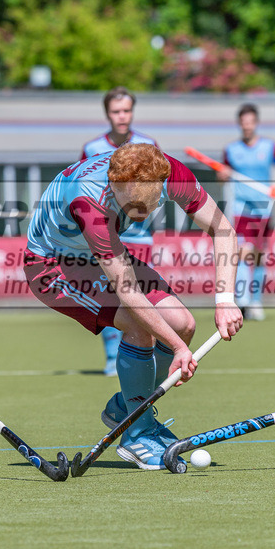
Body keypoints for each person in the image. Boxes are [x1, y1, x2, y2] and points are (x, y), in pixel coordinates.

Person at [23, 143, 243, 470]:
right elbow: (128, 293)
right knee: (140, 325)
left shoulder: (168, 172)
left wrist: (225, 301)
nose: (140, 214)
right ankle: (137, 435)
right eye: (133, 207)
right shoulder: (90, 203)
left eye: (148, 206)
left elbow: (222, 229)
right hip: (54, 266)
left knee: (182, 323)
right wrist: (179, 349)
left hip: (99, 256)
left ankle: (124, 409)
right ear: (115, 187)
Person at [81, 86, 160, 376]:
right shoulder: (92, 149)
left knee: (142, 297)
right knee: (110, 296)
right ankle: (113, 357)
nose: (122, 116)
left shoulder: (148, 144)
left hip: (140, 235)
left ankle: (140, 356)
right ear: (107, 114)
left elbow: (156, 188)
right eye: (116, 111)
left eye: (126, 110)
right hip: (105, 237)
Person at [219, 103, 275, 321]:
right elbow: (223, 174)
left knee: (259, 257)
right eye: (244, 122)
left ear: (256, 123)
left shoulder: (270, 147)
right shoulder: (231, 150)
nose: (247, 126)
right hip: (241, 207)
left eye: (251, 122)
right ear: (240, 124)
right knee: (242, 252)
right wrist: (223, 174)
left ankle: (256, 300)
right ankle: (242, 299)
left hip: (263, 207)